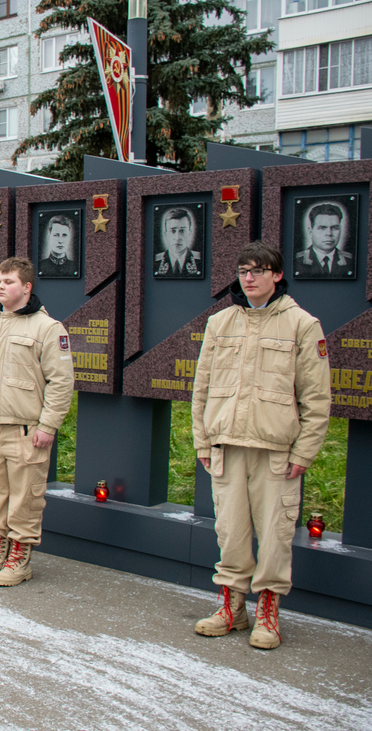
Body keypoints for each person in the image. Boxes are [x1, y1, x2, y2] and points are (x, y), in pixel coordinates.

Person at [191, 241, 331, 650]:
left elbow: (317, 398)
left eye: (258, 270)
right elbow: (202, 388)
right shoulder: (220, 323)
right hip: (227, 446)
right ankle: (232, 607)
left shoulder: (302, 325)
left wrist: (304, 451)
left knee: (274, 535)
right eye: (243, 270)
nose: (248, 278)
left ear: (277, 275)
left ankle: (268, 611)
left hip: (275, 452)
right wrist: (203, 440)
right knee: (230, 531)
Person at [0, 257, 74, 586]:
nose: (1, 286)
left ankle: (19, 559)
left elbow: (62, 381)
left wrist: (48, 425)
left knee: (25, 499)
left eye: (9, 281)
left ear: (26, 288)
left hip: (24, 432)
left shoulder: (48, 329)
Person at [294, 203, 352, 277]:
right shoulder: (297, 261)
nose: (329, 233)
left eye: (334, 228)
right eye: (322, 228)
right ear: (310, 231)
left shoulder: (350, 261)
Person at [154, 207, 202, 277]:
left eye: (182, 231)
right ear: (166, 234)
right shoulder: (157, 261)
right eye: (173, 231)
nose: (177, 238)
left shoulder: (199, 260)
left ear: (189, 233)